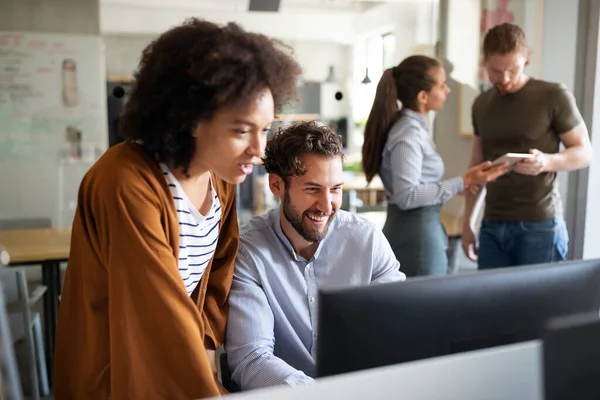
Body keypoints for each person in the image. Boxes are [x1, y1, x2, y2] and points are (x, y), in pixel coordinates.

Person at [54, 19, 302, 399]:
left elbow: (218, 273)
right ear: (189, 118)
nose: (259, 150)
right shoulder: (126, 182)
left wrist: (206, 354)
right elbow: (156, 312)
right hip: (120, 370)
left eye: (265, 129)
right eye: (241, 130)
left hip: (180, 363)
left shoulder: (219, 175)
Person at [225, 121, 406, 390]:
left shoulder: (367, 241)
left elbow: (398, 332)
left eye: (335, 189)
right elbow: (251, 358)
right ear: (277, 185)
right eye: (312, 189)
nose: (326, 205)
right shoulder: (250, 252)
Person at [361, 55, 508, 277]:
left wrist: (460, 187)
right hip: (415, 239)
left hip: (421, 231)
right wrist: (464, 181)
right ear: (422, 96)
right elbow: (407, 195)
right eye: (441, 85)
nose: (447, 90)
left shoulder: (414, 129)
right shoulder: (408, 134)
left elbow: (417, 186)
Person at [461, 23, 593, 269]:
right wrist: (468, 221)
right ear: (484, 64)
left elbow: (585, 153)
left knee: (539, 307)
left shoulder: (553, 95)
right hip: (491, 224)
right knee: (491, 306)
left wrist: (547, 162)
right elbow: (477, 166)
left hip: (540, 226)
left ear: (526, 59)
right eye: (496, 71)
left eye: (512, 69)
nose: (505, 79)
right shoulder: (480, 104)